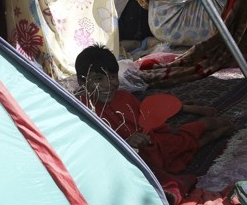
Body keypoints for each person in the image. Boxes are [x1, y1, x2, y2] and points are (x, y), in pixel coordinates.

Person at [74, 45, 233, 177]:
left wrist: (165, 129)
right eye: (98, 79)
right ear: (81, 81)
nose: (108, 85)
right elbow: (92, 150)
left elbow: (145, 118)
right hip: (127, 159)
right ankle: (213, 135)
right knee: (185, 150)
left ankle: (207, 125)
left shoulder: (124, 97)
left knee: (179, 141)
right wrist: (125, 143)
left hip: (151, 143)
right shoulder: (80, 111)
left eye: (113, 77)